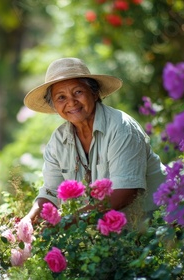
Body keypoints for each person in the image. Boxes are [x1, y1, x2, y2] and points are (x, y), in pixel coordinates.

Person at [23, 57, 166, 227]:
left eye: (78, 92)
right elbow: (50, 193)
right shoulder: (58, 141)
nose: (71, 102)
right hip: (110, 235)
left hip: (158, 224)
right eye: (61, 97)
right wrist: (29, 218)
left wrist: (71, 220)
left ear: (94, 92)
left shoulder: (121, 127)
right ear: (54, 105)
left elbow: (125, 192)